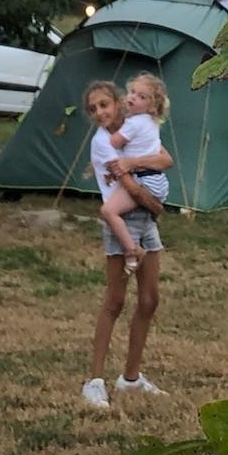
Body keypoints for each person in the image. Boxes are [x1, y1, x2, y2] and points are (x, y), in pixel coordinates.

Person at [80, 80, 172, 409]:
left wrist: (135, 163)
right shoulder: (102, 143)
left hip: (145, 220)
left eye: (104, 104)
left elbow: (165, 159)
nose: (99, 112)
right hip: (124, 220)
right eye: (93, 109)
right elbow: (130, 187)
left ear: (119, 102)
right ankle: (94, 381)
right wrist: (157, 206)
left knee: (149, 300)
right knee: (115, 301)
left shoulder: (139, 127)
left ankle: (131, 378)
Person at [99, 72, 170, 265]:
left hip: (143, 180)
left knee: (108, 211)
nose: (133, 97)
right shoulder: (152, 123)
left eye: (141, 97)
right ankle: (145, 233)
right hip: (157, 180)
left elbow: (115, 142)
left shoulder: (134, 123)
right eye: (131, 92)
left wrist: (114, 128)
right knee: (144, 212)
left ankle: (131, 251)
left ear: (152, 106)